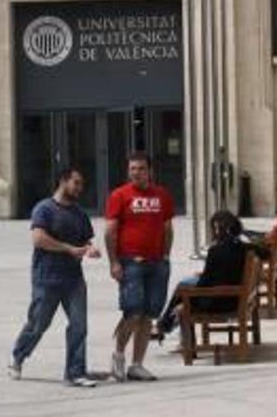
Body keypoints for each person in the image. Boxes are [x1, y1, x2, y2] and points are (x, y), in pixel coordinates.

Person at [8, 168, 102, 388]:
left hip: (74, 279)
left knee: (79, 325)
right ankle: (18, 356)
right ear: (63, 181)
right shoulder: (44, 209)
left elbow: (86, 240)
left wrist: (90, 249)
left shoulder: (80, 214)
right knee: (38, 324)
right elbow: (39, 239)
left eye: (81, 184)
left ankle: (75, 372)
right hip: (47, 277)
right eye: (76, 183)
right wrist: (68, 248)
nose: (79, 188)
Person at [105, 152, 174, 382]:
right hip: (130, 262)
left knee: (148, 315)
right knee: (132, 312)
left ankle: (137, 364)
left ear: (149, 171)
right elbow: (110, 231)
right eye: (133, 168)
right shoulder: (119, 195)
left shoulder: (162, 195)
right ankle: (118, 356)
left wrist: (165, 256)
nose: (136, 172)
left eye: (141, 168)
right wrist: (114, 262)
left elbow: (167, 229)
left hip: (156, 263)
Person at [154, 211, 252, 340]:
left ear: (217, 229)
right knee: (185, 284)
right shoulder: (243, 247)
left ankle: (165, 325)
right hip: (235, 296)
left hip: (220, 302)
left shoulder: (216, 251)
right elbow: (226, 271)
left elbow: (205, 283)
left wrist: (187, 302)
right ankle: (164, 324)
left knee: (184, 290)